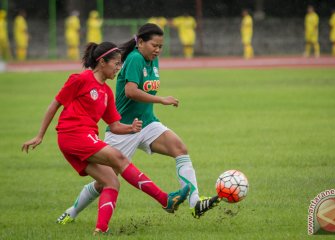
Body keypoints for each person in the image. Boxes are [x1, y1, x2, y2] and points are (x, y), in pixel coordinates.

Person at [57, 23, 220, 224]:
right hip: (124, 128)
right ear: (140, 42)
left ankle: (195, 202)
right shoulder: (134, 58)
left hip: (148, 123)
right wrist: (161, 99)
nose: (158, 50)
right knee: (106, 181)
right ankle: (71, 212)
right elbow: (130, 91)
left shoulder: (153, 61)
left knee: (180, 148)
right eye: (154, 45)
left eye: (161, 46)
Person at [22, 41, 190, 235]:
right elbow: (55, 104)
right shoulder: (80, 79)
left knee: (111, 181)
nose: (119, 68)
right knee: (119, 159)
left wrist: (131, 129)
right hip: (73, 134)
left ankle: (100, 230)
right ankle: (165, 200)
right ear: (102, 62)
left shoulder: (107, 92)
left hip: (82, 138)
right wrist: (39, 135)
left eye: (120, 64)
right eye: (116, 63)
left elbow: (114, 126)